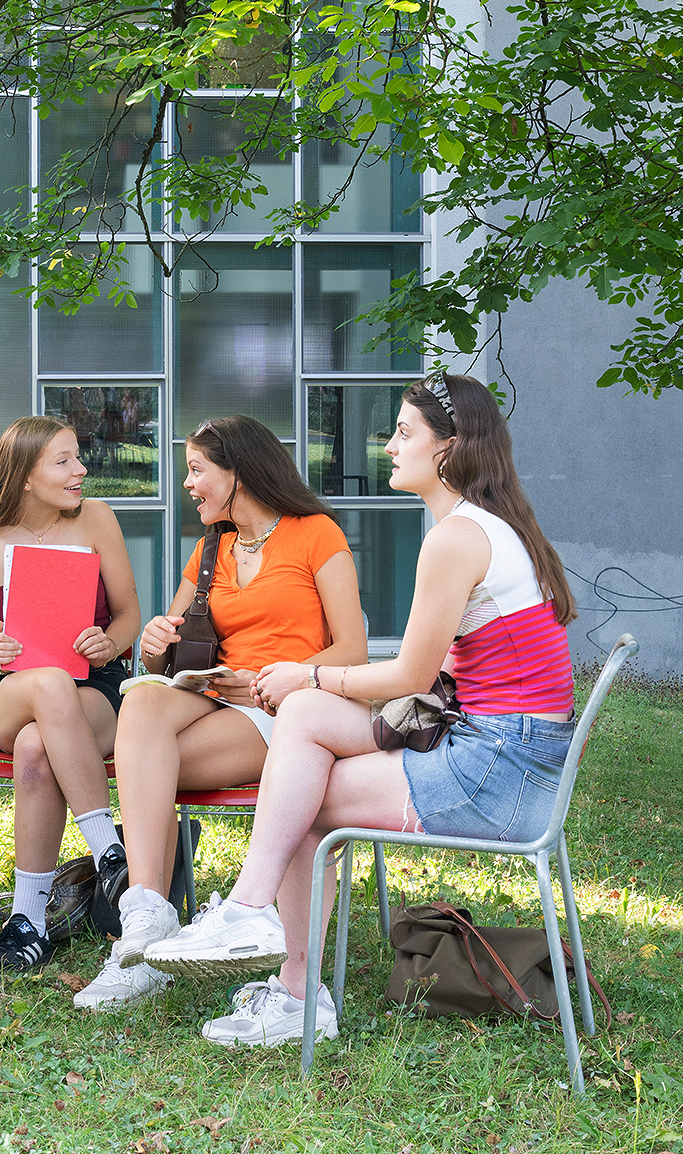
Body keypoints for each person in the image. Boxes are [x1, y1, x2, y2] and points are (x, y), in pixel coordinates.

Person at [137, 372, 578, 1047]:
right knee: (306, 725)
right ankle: (265, 937)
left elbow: (409, 673)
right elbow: (433, 681)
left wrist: (308, 670)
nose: (389, 443)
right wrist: (312, 687)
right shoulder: (480, 526)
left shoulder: (458, 537)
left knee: (300, 794)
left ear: (448, 449)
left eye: (405, 432)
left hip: (501, 769)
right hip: (502, 748)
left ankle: (284, 972)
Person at [73, 415, 367, 1013]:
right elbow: (165, 650)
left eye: (197, 470)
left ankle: (145, 938)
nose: (188, 483)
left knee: (144, 761)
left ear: (239, 471)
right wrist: (155, 639)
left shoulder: (316, 534)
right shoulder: (214, 549)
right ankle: (147, 918)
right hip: (214, 699)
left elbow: (353, 651)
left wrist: (265, 679)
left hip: (288, 713)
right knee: (145, 698)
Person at [0, 415, 142, 970]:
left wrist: (108, 642)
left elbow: (130, 615)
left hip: (95, 687)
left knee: (38, 746)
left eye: (78, 456)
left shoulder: (97, 520)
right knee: (45, 688)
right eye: (64, 461)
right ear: (24, 476)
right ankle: (109, 850)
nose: (81, 470)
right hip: (12, 689)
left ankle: (27, 919)